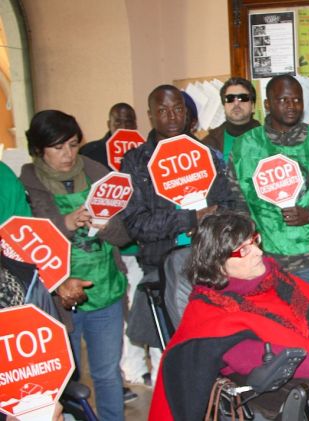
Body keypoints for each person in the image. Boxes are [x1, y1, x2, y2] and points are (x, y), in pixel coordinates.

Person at [149, 211, 309, 421]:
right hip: (260, 383)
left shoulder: (275, 278)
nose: (257, 252)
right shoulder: (210, 308)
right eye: (243, 250)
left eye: (254, 241)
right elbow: (252, 359)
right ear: (218, 263)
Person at [119, 85, 247, 361]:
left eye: (178, 108)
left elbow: (227, 205)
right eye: (163, 111)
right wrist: (189, 219)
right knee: (177, 357)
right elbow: (135, 224)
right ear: (150, 116)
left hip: (212, 259)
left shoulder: (208, 153)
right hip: (163, 262)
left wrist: (210, 219)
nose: (172, 116)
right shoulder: (136, 162)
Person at [19, 110, 131, 421]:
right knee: (66, 379)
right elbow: (24, 244)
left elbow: (124, 237)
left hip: (104, 287)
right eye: (57, 148)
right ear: (39, 149)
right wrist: (66, 223)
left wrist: (105, 224)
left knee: (108, 374)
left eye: (71, 145)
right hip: (56, 297)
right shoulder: (27, 183)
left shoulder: (99, 173)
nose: (67, 155)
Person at [231, 74, 309, 287]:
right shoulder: (245, 147)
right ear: (267, 104)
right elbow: (236, 204)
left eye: (297, 100)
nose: (291, 105)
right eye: (283, 100)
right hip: (265, 261)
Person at [78, 102, 153, 400]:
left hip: (140, 245)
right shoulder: (92, 154)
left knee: (139, 307)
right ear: (108, 121)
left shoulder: (146, 152)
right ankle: (129, 370)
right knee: (121, 311)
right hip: (106, 247)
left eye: (129, 120)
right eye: (117, 119)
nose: (123, 123)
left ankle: (140, 368)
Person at [202, 77, 261, 161]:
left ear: (252, 105)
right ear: (224, 106)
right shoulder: (207, 145)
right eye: (230, 99)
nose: (236, 103)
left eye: (243, 98)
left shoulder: (267, 140)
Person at [78, 103, 137, 169]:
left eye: (128, 122)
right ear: (109, 124)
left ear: (135, 125)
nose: (123, 127)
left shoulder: (145, 152)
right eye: (118, 122)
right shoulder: (89, 152)